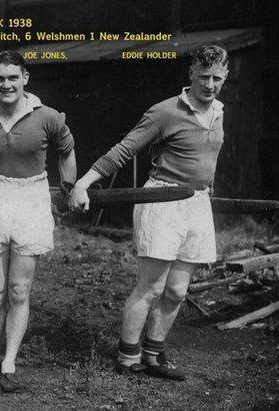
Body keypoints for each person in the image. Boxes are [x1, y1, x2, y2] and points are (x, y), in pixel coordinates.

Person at [70, 45, 229, 381]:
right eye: (204, 76)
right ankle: (127, 358)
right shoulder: (166, 111)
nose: (210, 84)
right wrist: (82, 184)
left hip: (198, 203)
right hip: (161, 202)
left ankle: (153, 355)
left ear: (225, 75)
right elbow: (123, 150)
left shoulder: (220, 111)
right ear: (190, 75)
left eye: (217, 77)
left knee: (177, 292)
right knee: (152, 287)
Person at [0, 50, 77, 393]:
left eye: (13, 77)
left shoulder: (48, 117)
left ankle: (10, 363)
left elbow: (67, 152)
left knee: (18, 289)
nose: (6, 85)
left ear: (25, 78)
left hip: (31, 197)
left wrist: (68, 190)